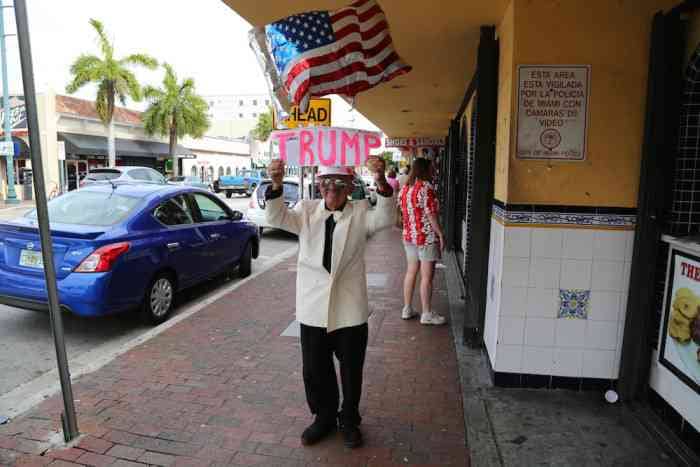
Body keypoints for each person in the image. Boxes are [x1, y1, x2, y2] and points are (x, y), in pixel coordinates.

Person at [265, 156, 395, 448]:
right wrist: (275, 183)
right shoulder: (306, 210)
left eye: (339, 184)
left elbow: (386, 218)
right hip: (313, 307)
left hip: (349, 308)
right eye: (325, 183)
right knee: (314, 369)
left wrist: (382, 181)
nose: (331, 190)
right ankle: (323, 417)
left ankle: (348, 419)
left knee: (351, 369)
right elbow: (275, 218)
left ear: (349, 186)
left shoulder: (361, 212)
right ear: (318, 186)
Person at [398, 157, 447, 325]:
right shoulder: (426, 188)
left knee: (411, 271)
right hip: (426, 237)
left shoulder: (405, 187)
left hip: (409, 236)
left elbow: (401, 211)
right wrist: (440, 233)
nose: (433, 171)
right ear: (425, 170)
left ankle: (407, 308)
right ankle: (426, 313)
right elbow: (431, 214)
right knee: (427, 277)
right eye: (431, 168)